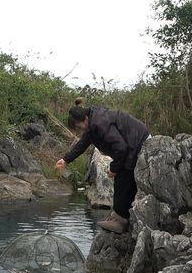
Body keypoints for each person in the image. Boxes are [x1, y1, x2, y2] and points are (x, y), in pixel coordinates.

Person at [55, 98, 150, 234]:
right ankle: (119, 216)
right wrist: (65, 160)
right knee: (121, 178)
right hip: (131, 142)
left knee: (123, 177)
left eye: (78, 127)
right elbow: (82, 144)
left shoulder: (100, 123)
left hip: (138, 141)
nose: (79, 130)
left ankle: (121, 221)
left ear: (84, 120)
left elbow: (121, 148)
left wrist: (113, 168)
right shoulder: (92, 121)